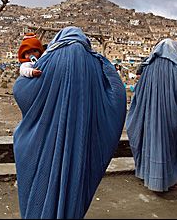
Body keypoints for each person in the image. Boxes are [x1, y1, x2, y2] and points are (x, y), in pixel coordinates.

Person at [13, 26, 126, 218]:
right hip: (79, 143)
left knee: (39, 187)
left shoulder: (48, 61)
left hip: (43, 142)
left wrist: (24, 73)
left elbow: (21, 91)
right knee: (73, 187)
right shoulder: (95, 62)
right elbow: (117, 93)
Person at [125, 38, 177, 192]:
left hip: (149, 116)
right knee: (168, 146)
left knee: (149, 143)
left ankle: (147, 175)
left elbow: (139, 92)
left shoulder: (148, 66)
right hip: (168, 116)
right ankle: (166, 181)